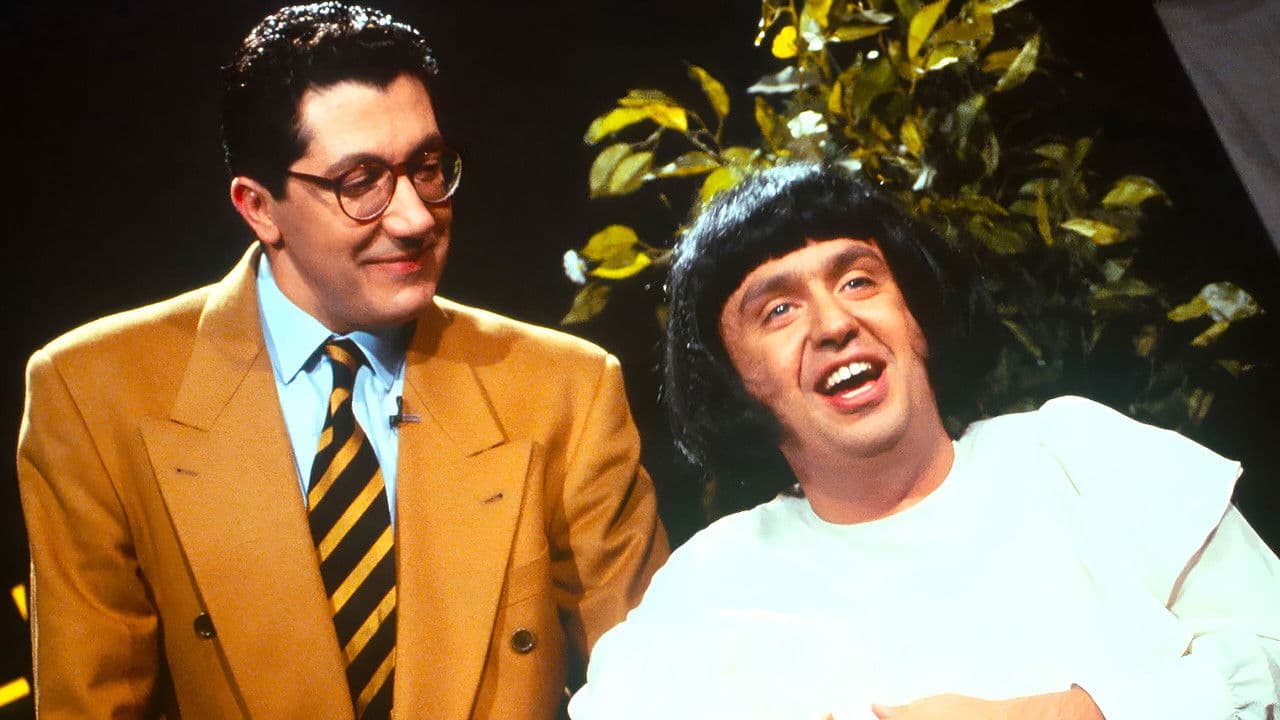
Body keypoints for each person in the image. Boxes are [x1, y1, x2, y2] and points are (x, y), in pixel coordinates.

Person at [16, 3, 668, 718]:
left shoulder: (568, 390)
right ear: (259, 207)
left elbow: (658, 691)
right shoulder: (91, 392)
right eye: (361, 182)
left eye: (427, 168)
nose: (415, 218)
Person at [568, 163, 1280, 720]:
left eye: (858, 280)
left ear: (917, 316)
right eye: (779, 309)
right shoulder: (708, 587)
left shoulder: (1077, 458)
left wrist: (1067, 715)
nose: (834, 323)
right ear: (734, 380)